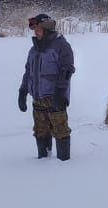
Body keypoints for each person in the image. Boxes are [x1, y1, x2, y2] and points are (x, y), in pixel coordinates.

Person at [18, 13, 75, 161]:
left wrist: (60, 93)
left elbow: (67, 70)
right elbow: (28, 72)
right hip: (38, 99)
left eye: (38, 29)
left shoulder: (61, 46)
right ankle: (43, 161)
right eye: (34, 30)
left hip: (55, 97)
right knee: (40, 131)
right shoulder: (34, 50)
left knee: (60, 130)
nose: (35, 33)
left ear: (47, 29)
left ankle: (64, 163)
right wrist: (23, 91)